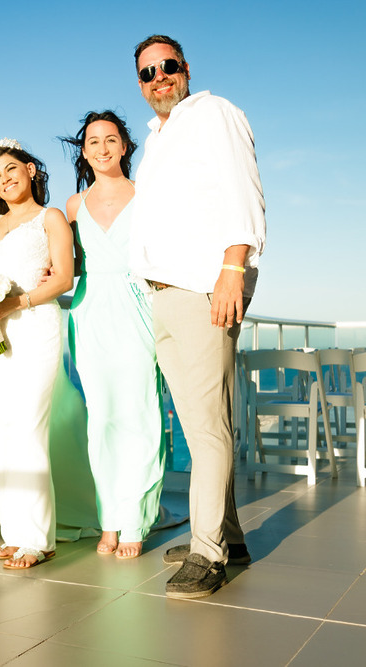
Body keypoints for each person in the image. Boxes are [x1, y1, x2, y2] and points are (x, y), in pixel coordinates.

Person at [129, 34, 266, 599]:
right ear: (139, 84)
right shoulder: (155, 137)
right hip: (165, 293)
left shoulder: (213, 113)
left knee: (207, 427)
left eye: (168, 66)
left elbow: (244, 189)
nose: (159, 76)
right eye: (147, 72)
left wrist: (233, 269)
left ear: (186, 69)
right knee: (200, 423)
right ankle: (227, 535)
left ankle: (209, 555)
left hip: (203, 286)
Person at [61, 111, 165, 560]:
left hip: (137, 306)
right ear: (83, 151)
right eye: (93, 142)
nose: (102, 148)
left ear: (124, 146)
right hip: (89, 310)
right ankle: (109, 518)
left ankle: (136, 518)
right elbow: (62, 265)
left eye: (111, 139)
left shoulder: (148, 195)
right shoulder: (71, 206)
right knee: (101, 420)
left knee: (141, 415)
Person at [0, 140, 74, 569]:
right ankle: (15, 530)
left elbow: (64, 278)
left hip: (36, 327)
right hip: (0, 334)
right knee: (4, 425)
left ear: (30, 170)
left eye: (12, 170)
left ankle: (39, 539)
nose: (5, 179)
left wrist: (17, 303)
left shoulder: (50, 218)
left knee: (29, 426)